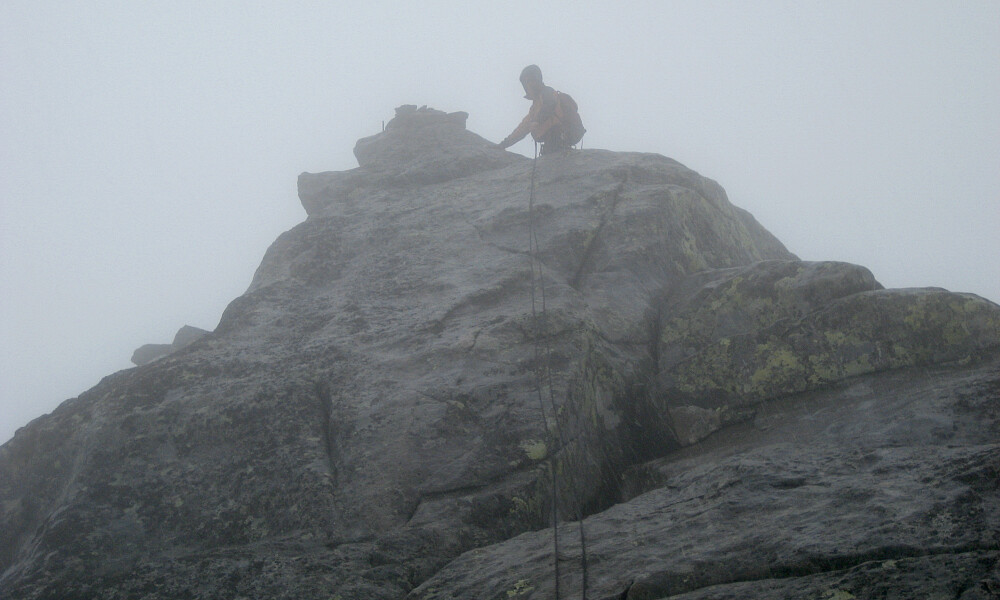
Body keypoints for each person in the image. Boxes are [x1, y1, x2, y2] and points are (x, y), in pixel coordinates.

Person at [497, 65, 583, 155]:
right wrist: (503, 145)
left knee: (551, 159)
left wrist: (537, 121)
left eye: (530, 80)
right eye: (527, 82)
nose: (529, 84)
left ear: (538, 79)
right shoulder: (535, 106)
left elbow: (549, 104)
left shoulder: (547, 92)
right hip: (557, 139)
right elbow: (522, 129)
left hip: (559, 135)